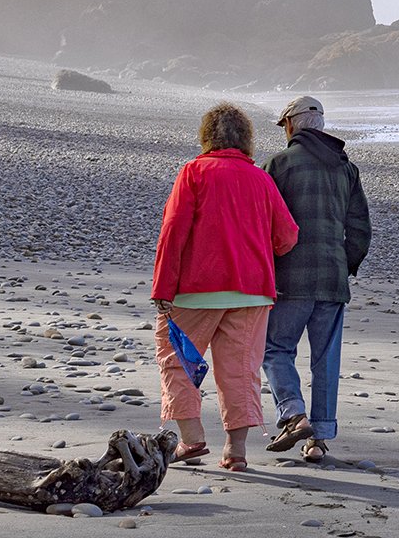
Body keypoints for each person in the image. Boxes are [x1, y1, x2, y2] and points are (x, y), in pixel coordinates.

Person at [151, 102, 299, 472]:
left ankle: (191, 438)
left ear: (207, 137)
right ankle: (236, 451)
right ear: (246, 139)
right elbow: (287, 237)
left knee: (178, 362)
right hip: (252, 291)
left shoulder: (194, 172)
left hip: (196, 290)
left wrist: (162, 287)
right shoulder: (262, 179)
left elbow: (173, 231)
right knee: (240, 370)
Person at [261, 94, 371, 464]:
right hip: (333, 280)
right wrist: (344, 265)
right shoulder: (346, 168)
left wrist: (266, 268)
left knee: (275, 349)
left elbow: (264, 224)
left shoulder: (278, 164)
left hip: (289, 277)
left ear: (291, 124)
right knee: (325, 360)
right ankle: (319, 439)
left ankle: (293, 413)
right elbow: (359, 229)